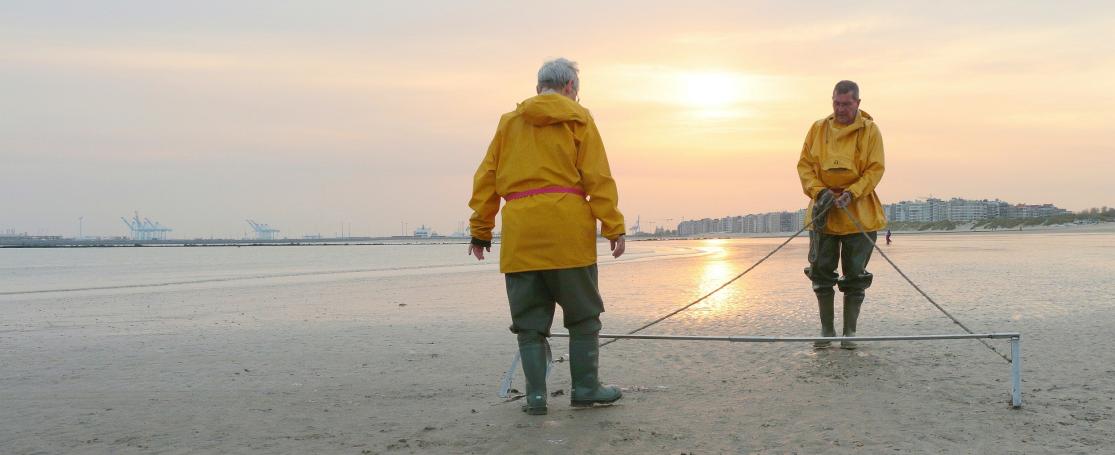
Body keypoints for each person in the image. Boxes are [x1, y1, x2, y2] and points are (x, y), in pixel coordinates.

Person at [467, 58, 626, 415]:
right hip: (568, 233)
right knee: (583, 318)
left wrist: (481, 231)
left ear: (540, 85)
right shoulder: (579, 118)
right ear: (570, 87)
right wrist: (612, 225)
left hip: (522, 233)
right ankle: (586, 388)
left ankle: (536, 397)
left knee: (530, 323)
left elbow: (487, 179)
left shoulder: (509, 122)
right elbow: (597, 177)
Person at [797, 80, 887, 350]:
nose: (841, 109)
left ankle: (850, 332)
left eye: (846, 104)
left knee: (855, 275)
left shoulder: (870, 131)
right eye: (836, 103)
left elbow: (875, 169)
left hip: (858, 212)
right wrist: (819, 192)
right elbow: (804, 165)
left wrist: (853, 192)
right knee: (821, 272)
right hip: (823, 212)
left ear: (857, 103)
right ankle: (827, 330)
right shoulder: (817, 129)